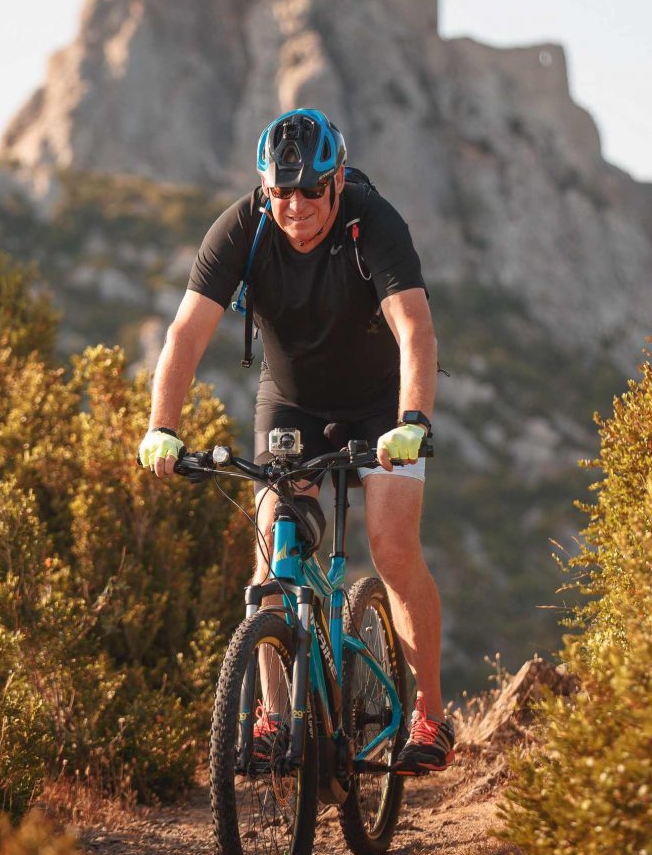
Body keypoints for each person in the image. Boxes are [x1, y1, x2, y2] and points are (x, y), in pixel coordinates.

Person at [138, 108, 454, 775]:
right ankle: (273, 717)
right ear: (265, 187)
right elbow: (186, 334)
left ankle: (429, 713)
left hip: (380, 407)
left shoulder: (373, 222)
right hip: (291, 402)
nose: (298, 205)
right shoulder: (241, 228)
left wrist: (413, 421)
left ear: (338, 181)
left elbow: (415, 329)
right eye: (283, 191)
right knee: (272, 567)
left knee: (393, 549)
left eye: (313, 189)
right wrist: (161, 426)